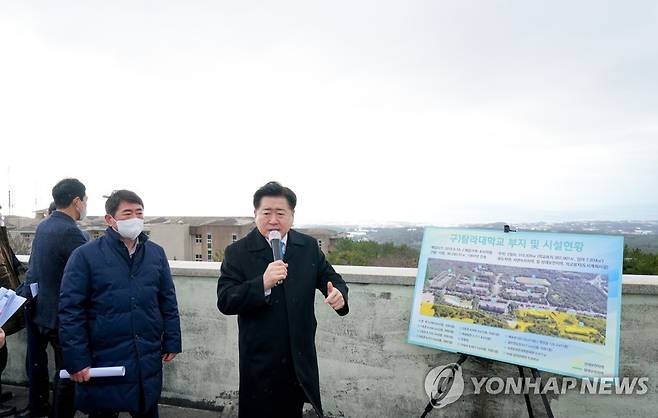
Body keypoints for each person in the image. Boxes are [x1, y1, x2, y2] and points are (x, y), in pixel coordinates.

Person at [217, 181, 349, 418]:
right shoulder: (238, 252)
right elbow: (225, 300)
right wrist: (262, 283)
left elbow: (331, 279)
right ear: (255, 214)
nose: (273, 220)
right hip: (260, 358)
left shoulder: (307, 246)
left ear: (292, 215)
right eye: (266, 213)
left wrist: (339, 294)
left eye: (281, 213)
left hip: (298, 356)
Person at [59, 189, 181, 418]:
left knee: (146, 407)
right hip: (104, 357)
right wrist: (77, 360)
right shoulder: (85, 256)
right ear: (110, 219)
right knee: (103, 410)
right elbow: (70, 311)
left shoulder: (155, 254)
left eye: (139, 213)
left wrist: (172, 340)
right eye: (127, 213)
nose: (135, 219)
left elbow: (167, 299)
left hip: (145, 354)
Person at [20, 178, 89, 418]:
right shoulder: (71, 232)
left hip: (38, 308)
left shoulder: (44, 226)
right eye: (85, 200)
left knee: (37, 366)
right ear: (77, 201)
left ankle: (38, 407)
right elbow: (89, 271)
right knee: (67, 373)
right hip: (60, 315)